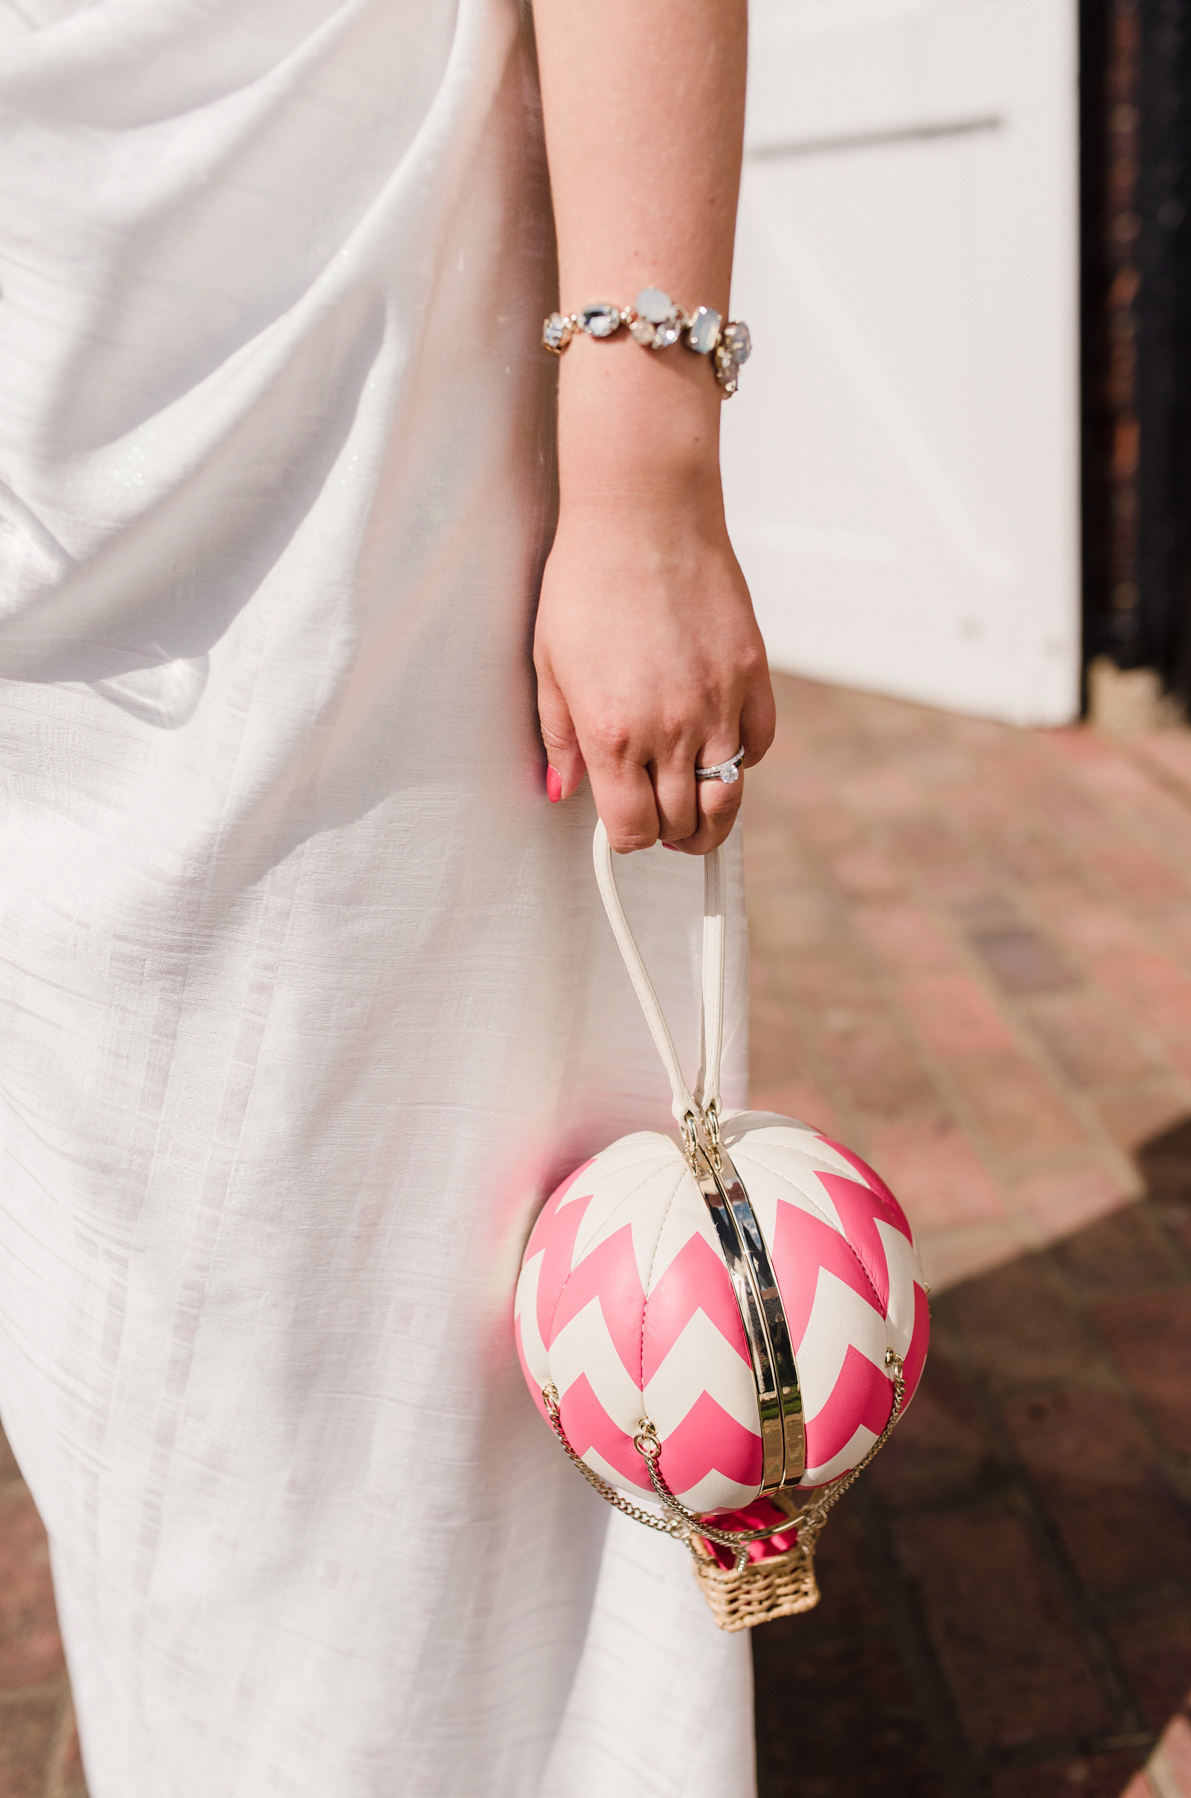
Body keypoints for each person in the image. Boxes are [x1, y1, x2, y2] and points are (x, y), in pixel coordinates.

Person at [0, 0, 774, 1791]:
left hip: (351, 352)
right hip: (50, 363)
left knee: (401, 1270)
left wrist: (642, 462)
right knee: (135, 1364)